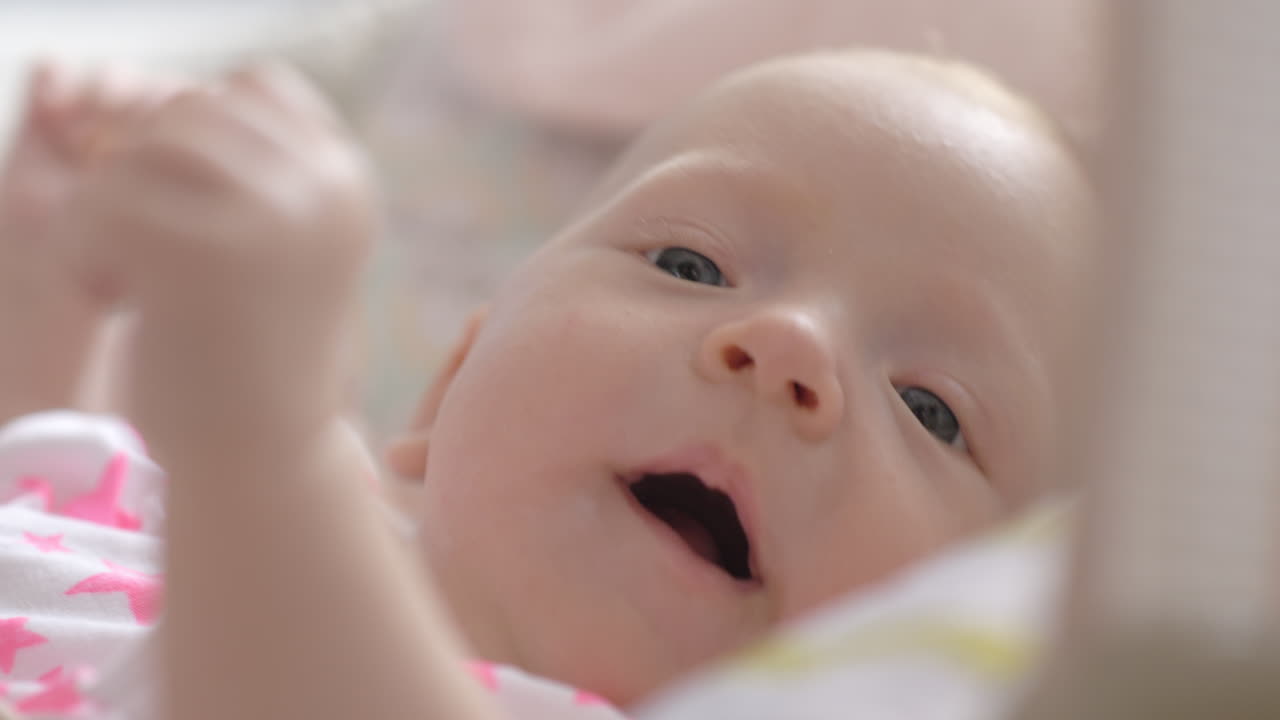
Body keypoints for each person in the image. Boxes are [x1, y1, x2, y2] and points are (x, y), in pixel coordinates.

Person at [0, 48, 1092, 719]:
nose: (786, 345)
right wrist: (55, 274)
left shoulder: (261, 485)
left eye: (931, 409)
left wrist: (261, 440)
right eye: (688, 265)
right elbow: (45, 496)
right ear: (446, 388)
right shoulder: (202, 506)